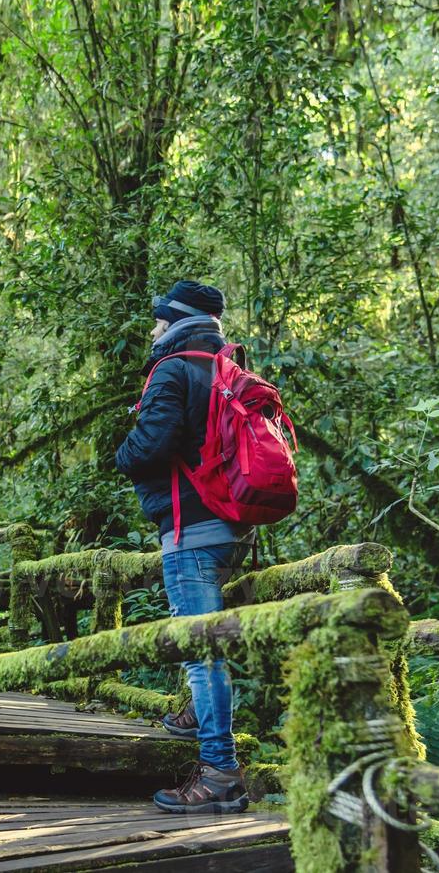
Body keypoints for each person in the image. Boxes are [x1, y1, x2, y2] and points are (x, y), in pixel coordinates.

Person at [114, 279, 250, 814]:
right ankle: (200, 715)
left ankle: (219, 772)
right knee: (206, 644)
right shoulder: (224, 366)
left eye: (158, 320)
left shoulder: (173, 368)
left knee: (201, 652)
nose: (153, 330)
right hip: (230, 526)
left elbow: (149, 447)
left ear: (175, 321)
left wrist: (121, 452)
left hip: (191, 530)